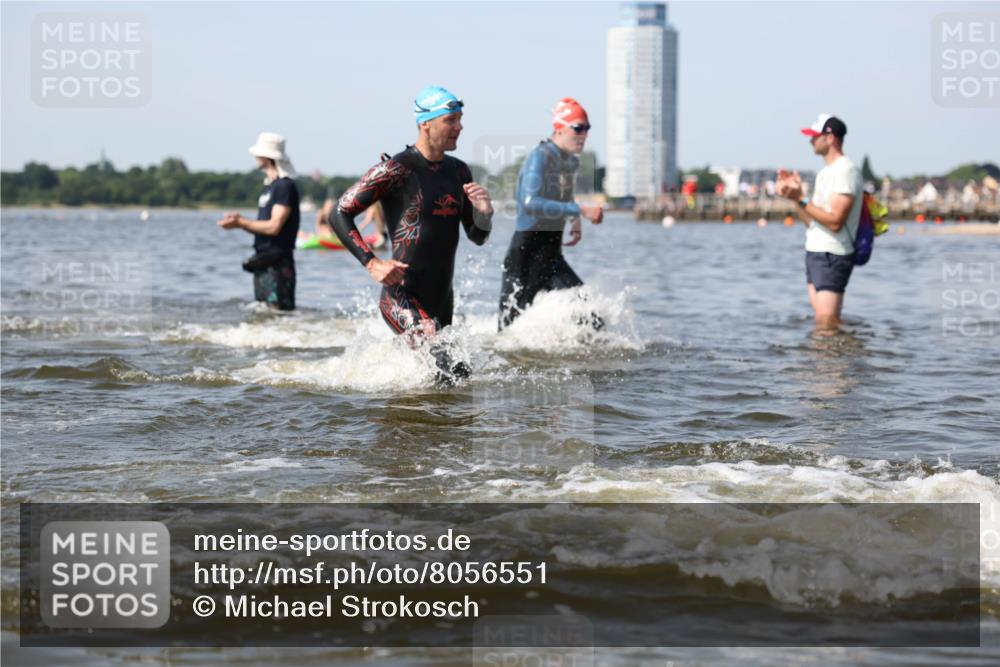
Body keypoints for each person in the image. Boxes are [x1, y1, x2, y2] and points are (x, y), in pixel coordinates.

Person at [330, 86, 493, 381]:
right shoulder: (396, 169)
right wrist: (372, 262)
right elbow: (339, 212)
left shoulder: (459, 172)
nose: (459, 127)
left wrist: (485, 212)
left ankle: (409, 421)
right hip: (401, 295)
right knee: (451, 372)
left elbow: (477, 236)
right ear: (425, 123)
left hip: (442, 299)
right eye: (451, 120)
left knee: (454, 380)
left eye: (460, 119)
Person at [498, 98, 604, 330]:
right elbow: (530, 202)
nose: (584, 134)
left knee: (593, 320)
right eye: (578, 128)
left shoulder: (570, 162)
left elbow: (564, 195)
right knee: (506, 332)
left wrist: (575, 221)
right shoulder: (541, 156)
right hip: (525, 256)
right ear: (559, 127)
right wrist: (581, 210)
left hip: (552, 256)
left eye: (587, 128)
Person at [777, 114, 863, 331]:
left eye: (815, 136)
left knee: (827, 323)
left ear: (830, 137)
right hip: (816, 251)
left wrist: (801, 199)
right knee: (822, 322)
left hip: (833, 253)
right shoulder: (826, 172)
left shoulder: (846, 170)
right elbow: (811, 222)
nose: (811, 141)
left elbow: (835, 221)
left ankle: (834, 364)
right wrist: (795, 197)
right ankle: (826, 363)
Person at [218, 132, 300, 311]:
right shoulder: (269, 187)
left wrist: (241, 223)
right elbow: (263, 226)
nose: (255, 156)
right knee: (263, 313)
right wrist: (239, 222)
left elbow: (274, 227)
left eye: (258, 152)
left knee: (279, 315)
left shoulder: (284, 186)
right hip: (263, 260)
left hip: (278, 263)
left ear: (268, 156)